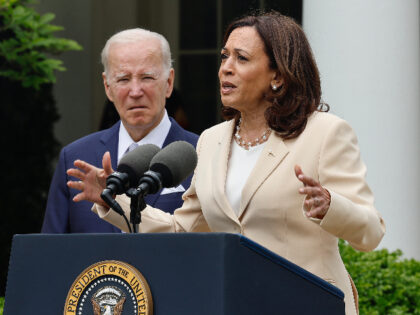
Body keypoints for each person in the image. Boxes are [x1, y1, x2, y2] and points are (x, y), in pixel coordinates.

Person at [67, 12, 385, 314]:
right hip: (236, 304)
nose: (225, 69)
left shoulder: (324, 133)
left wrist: (330, 206)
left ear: (277, 75)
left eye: (241, 58)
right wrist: (113, 199)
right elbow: (182, 230)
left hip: (307, 303)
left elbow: (370, 232)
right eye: (224, 57)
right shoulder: (212, 141)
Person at [41, 28, 198, 233]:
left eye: (147, 77)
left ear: (168, 83)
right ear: (107, 87)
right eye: (123, 79)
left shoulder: (204, 153)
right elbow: (51, 252)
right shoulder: (75, 158)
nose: (135, 91)